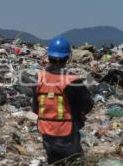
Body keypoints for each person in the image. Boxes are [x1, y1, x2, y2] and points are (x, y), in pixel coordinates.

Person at [32, 36, 94, 165]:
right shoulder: (72, 81)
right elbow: (88, 105)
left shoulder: (38, 78)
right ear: (68, 57)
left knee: (53, 161)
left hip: (46, 131)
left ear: (49, 56)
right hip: (66, 132)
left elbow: (35, 108)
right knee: (74, 162)